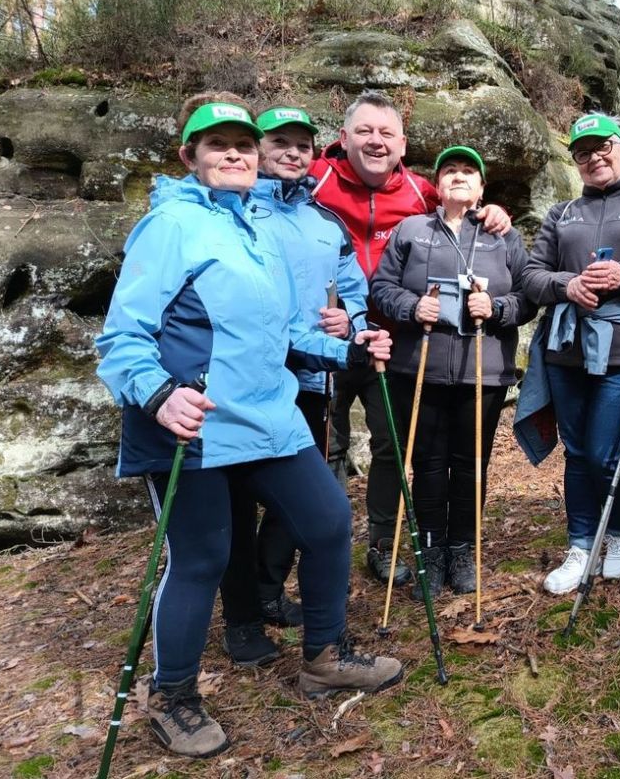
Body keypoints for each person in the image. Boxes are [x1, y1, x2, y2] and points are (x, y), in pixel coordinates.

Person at [96, 94, 403, 758]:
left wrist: (349, 350)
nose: (234, 154)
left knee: (327, 521)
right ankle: (173, 697)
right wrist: (159, 396)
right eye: (219, 145)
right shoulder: (169, 224)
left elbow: (287, 332)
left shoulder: (257, 229)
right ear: (190, 156)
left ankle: (324, 656)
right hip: (194, 423)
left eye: (242, 144)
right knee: (201, 557)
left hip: (267, 414)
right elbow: (122, 338)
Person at [307, 90, 510, 587]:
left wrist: (494, 212)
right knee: (323, 448)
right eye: (364, 131)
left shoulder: (421, 192)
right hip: (323, 336)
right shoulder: (313, 180)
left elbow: (464, 213)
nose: (375, 142)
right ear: (343, 137)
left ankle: (383, 544)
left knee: (391, 449)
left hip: (391, 342)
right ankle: (320, 547)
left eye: (387, 133)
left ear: (402, 144)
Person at [217, 105, 370, 666]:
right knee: (234, 509)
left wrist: (349, 319)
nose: (292, 153)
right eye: (279, 142)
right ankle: (240, 620)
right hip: (243, 381)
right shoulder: (233, 211)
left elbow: (352, 287)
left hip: (309, 376)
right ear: (259, 149)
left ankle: (266, 591)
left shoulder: (326, 221)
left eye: (302, 145)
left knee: (297, 502)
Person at [370, 146, 535, 596]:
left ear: (482, 187)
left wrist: (496, 307)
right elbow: (381, 287)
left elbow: (529, 296)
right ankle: (430, 550)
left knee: (470, 464)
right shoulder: (411, 230)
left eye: (468, 171)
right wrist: (411, 306)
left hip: (483, 372)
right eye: (450, 171)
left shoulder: (504, 236)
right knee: (426, 463)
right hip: (418, 368)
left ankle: (462, 549)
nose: (459, 177)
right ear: (437, 185)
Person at [518, 113, 620, 594]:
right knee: (578, 450)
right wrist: (569, 285)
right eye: (583, 152)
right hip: (565, 348)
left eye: (603, 147)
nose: (594, 158)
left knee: (605, 451)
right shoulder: (562, 214)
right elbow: (532, 276)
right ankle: (581, 545)